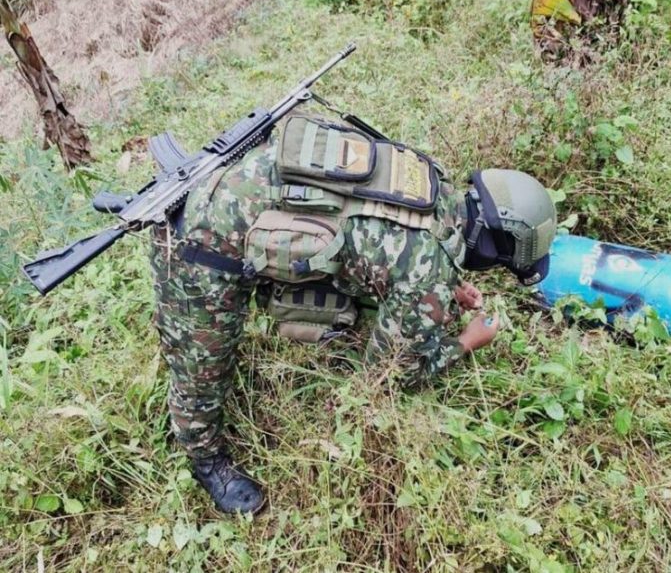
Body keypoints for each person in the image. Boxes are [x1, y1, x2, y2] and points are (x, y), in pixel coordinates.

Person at [150, 112, 557, 514]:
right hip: (198, 240)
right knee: (200, 364)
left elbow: (384, 233)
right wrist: (466, 341)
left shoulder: (433, 182)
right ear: (493, 250)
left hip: (245, 179)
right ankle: (205, 459)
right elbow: (389, 375)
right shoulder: (427, 274)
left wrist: (445, 286)